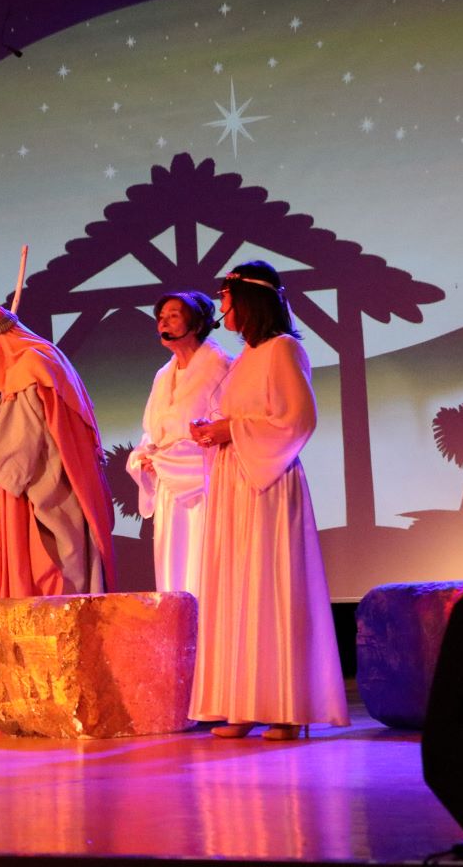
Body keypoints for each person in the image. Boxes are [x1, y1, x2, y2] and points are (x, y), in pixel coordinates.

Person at [187, 261, 350, 740]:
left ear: (248, 301)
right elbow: (246, 414)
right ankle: (243, 703)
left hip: (269, 483)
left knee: (271, 585)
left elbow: (297, 419)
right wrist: (215, 431)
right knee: (238, 588)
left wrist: (233, 430)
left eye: (226, 298)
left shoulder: (284, 349)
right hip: (236, 483)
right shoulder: (245, 357)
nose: (221, 308)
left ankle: (285, 709)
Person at [0, 305, 115, 598]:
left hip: (49, 491)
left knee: (52, 577)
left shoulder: (28, 370)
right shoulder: (42, 359)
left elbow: (16, 444)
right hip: (55, 481)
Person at [125, 292, 233, 596]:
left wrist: (170, 457)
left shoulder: (222, 366)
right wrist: (144, 457)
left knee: (202, 565)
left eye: (173, 316)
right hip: (169, 488)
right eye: (161, 317)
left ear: (196, 323)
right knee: (173, 570)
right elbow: (153, 431)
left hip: (204, 485)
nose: (164, 323)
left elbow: (226, 427)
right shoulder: (163, 374)